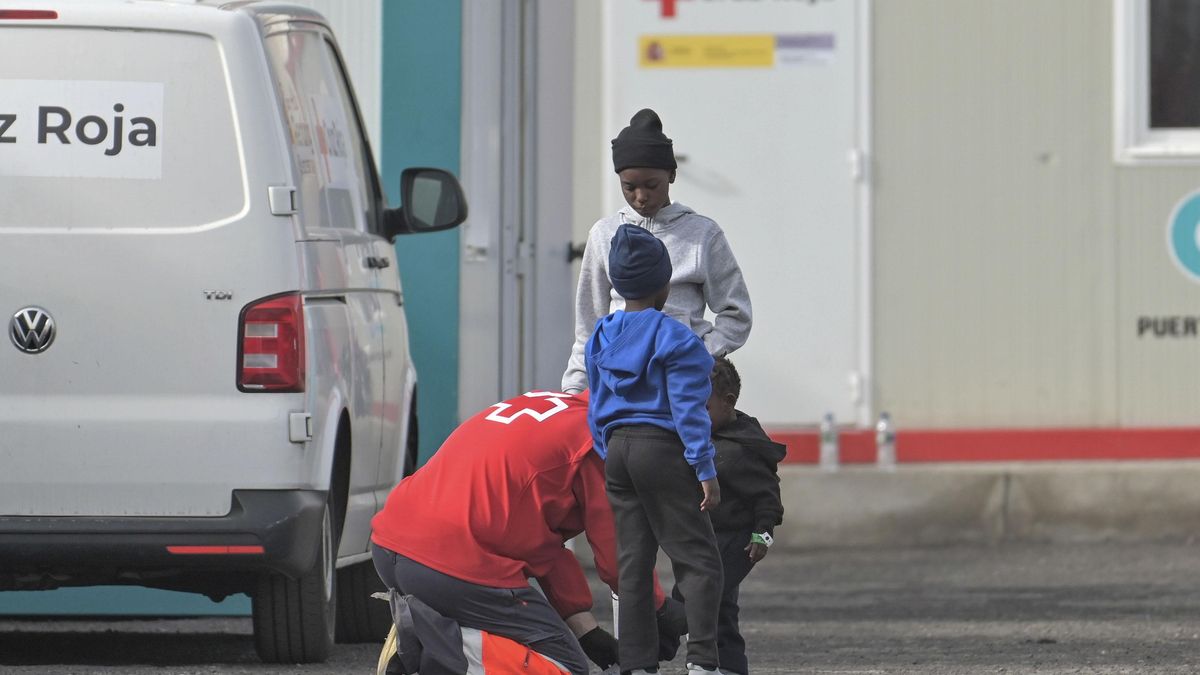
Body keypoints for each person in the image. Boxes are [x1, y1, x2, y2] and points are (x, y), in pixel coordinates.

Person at [370, 390, 683, 675]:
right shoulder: (601, 445)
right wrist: (659, 608)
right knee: (562, 666)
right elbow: (620, 560)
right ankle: (428, 645)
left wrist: (586, 631)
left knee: (520, 651)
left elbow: (541, 542)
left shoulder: (559, 408)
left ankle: (428, 635)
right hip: (448, 563)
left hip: (392, 546)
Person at [587, 223, 726, 675]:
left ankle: (638, 666)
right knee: (700, 561)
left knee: (633, 568)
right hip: (663, 449)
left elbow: (596, 402)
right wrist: (705, 468)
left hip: (618, 453)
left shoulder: (602, 335)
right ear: (665, 284)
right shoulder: (676, 339)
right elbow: (689, 409)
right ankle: (703, 663)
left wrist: (606, 449)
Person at [562, 107, 752, 395]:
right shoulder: (603, 234)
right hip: (619, 383)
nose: (641, 196)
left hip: (679, 384)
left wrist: (699, 353)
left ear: (672, 175)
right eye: (629, 187)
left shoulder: (703, 235)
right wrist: (574, 390)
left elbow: (736, 313)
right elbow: (589, 324)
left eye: (651, 185)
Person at [675, 356, 785, 675]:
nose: (695, 416)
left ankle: (660, 646)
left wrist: (762, 535)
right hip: (708, 537)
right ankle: (731, 666)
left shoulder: (743, 451)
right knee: (722, 606)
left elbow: (768, 497)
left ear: (728, 402)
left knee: (691, 596)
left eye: (704, 409)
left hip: (737, 541)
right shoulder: (707, 438)